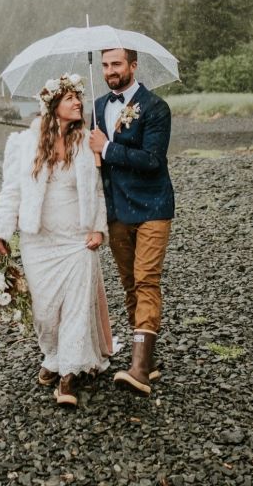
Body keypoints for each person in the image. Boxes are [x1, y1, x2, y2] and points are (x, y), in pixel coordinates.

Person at [0, 73, 113, 407]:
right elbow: (11, 191)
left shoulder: (87, 141)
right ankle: (53, 357)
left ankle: (68, 376)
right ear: (53, 105)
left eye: (78, 97)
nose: (77, 102)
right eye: (69, 97)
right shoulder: (24, 143)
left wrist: (98, 228)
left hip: (77, 237)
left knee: (75, 306)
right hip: (38, 240)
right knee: (45, 311)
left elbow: (97, 190)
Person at [89, 47, 174, 395]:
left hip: (153, 206)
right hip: (116, 211)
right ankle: (148, 359)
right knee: (128, 284)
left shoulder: (155, 107)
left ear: (133, 66)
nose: (110, 70)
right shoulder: (95, 108)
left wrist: (107, 148)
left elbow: (152, 159)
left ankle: (138, 368)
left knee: (146, 279)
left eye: (117, 64)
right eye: (106, 65)